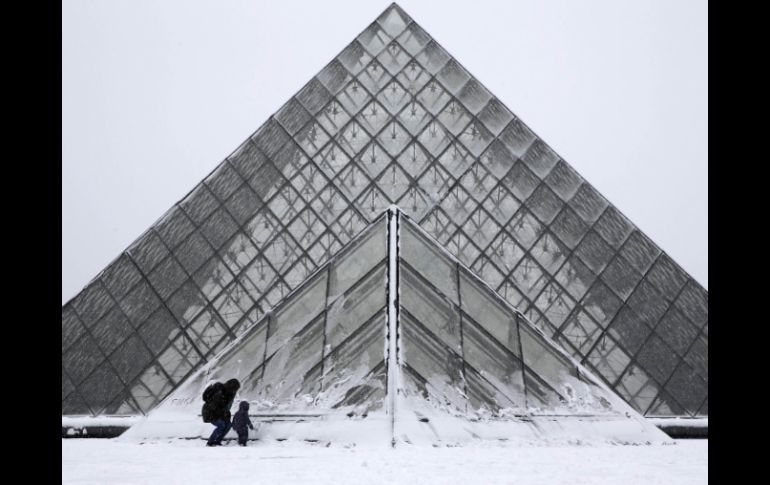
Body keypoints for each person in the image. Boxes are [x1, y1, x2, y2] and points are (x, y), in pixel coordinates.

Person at [201, 378, 240, 446]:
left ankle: (217, 441)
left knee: (228, 425)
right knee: (221, 425)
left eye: (235, 390)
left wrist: (226, 414)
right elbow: (214, 405)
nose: (235, 391)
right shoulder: (219, 390)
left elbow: (225, 406)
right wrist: (222, 413)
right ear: (231, 387)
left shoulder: (229, 393)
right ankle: (210, 442)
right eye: (234, 389)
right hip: (210, 412)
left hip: (220, 412)